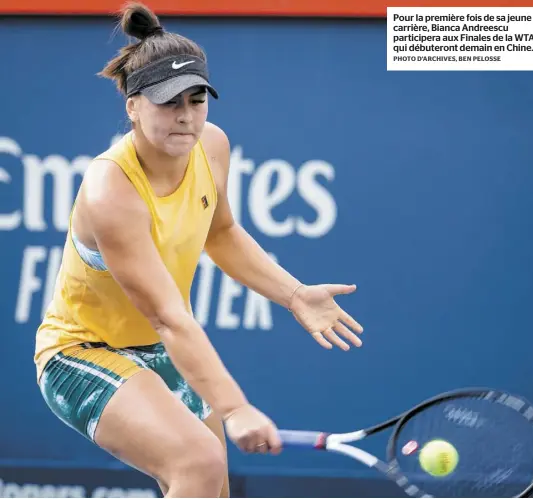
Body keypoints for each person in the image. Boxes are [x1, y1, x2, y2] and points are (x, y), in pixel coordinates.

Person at [34, 3, 363, 497]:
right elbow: (169, 316)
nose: (185, 117)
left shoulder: (212, 146)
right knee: (199, 461)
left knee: (212, 482)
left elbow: (221, 232)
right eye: (169, 102)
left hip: (156, 350)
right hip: (82, 353)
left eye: (196, 100)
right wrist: (234, 407)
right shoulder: (111, 191)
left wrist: (294, 294)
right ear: (132, 105)